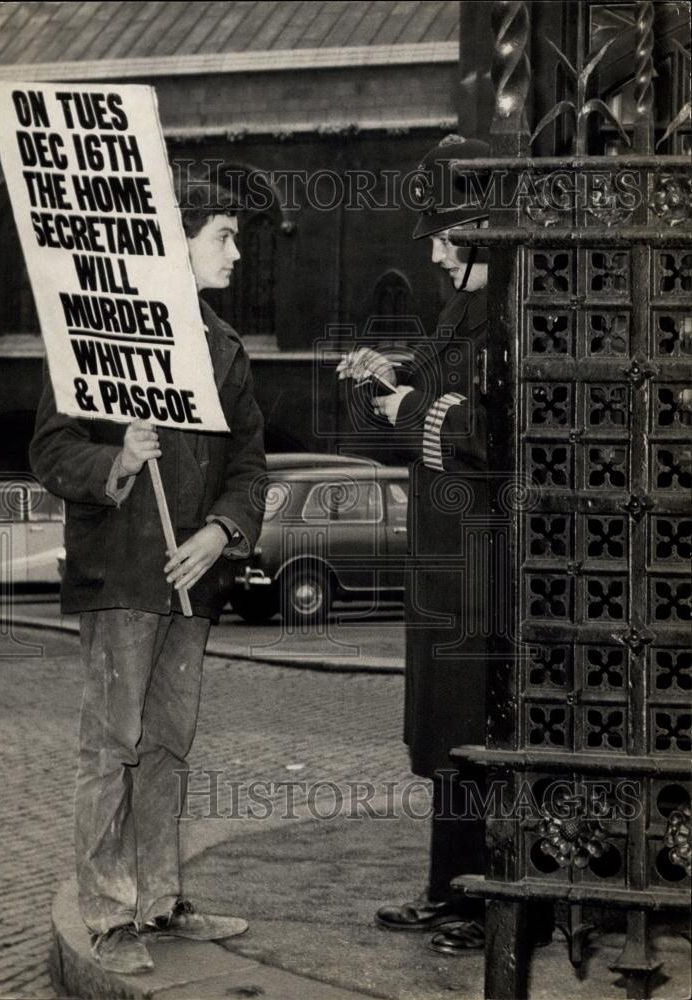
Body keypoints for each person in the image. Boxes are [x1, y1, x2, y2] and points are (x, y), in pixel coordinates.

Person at [30, 180, 266, 975]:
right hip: (124, 574)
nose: (236, 252)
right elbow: (53, 450)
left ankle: (159, 900)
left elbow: (249, 465)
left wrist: (219, 532)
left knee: (168, 744)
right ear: (175, 243)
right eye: (223, 237)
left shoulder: (226, 347)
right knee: (112, 746)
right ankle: (104, 912)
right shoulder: (97, 337)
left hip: (190, 578)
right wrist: (118, 460)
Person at [339, 134, 494, 954]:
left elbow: (491, 430)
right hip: (446, 557)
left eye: (445, 234)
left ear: (483, 231)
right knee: (444, 735)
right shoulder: (466, 304)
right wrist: (388, 372)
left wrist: (405, 407)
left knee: (475, 729)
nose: (435, 251)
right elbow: (444, 388)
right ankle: (449, 888)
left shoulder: (508, 308)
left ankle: (488, 901)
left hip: (484, 560)